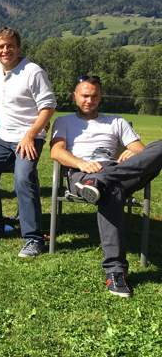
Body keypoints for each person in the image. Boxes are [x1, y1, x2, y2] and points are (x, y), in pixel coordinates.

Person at [50, 75, 162, 298]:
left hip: (113, 170)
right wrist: (81, 164)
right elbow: (56, 151)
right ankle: (115, 271)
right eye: (85, 96)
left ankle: (102, 180)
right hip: (82, 173)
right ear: (74, 97)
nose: (89, 100)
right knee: (112, 192)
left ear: (100, 97)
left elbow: (141, 151)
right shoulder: (64, 121)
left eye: (94, 96)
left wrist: (132, 152)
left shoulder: (116, 121)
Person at [0, 27, 56, 258]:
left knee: (23, 179)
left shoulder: (33, 71)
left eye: (10, 45)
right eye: (0, 46)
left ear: (18, 47)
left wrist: (31, 134)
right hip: (3, 136)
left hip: (29, 137)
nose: (5, 50)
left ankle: (33, 239)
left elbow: (48, 107)